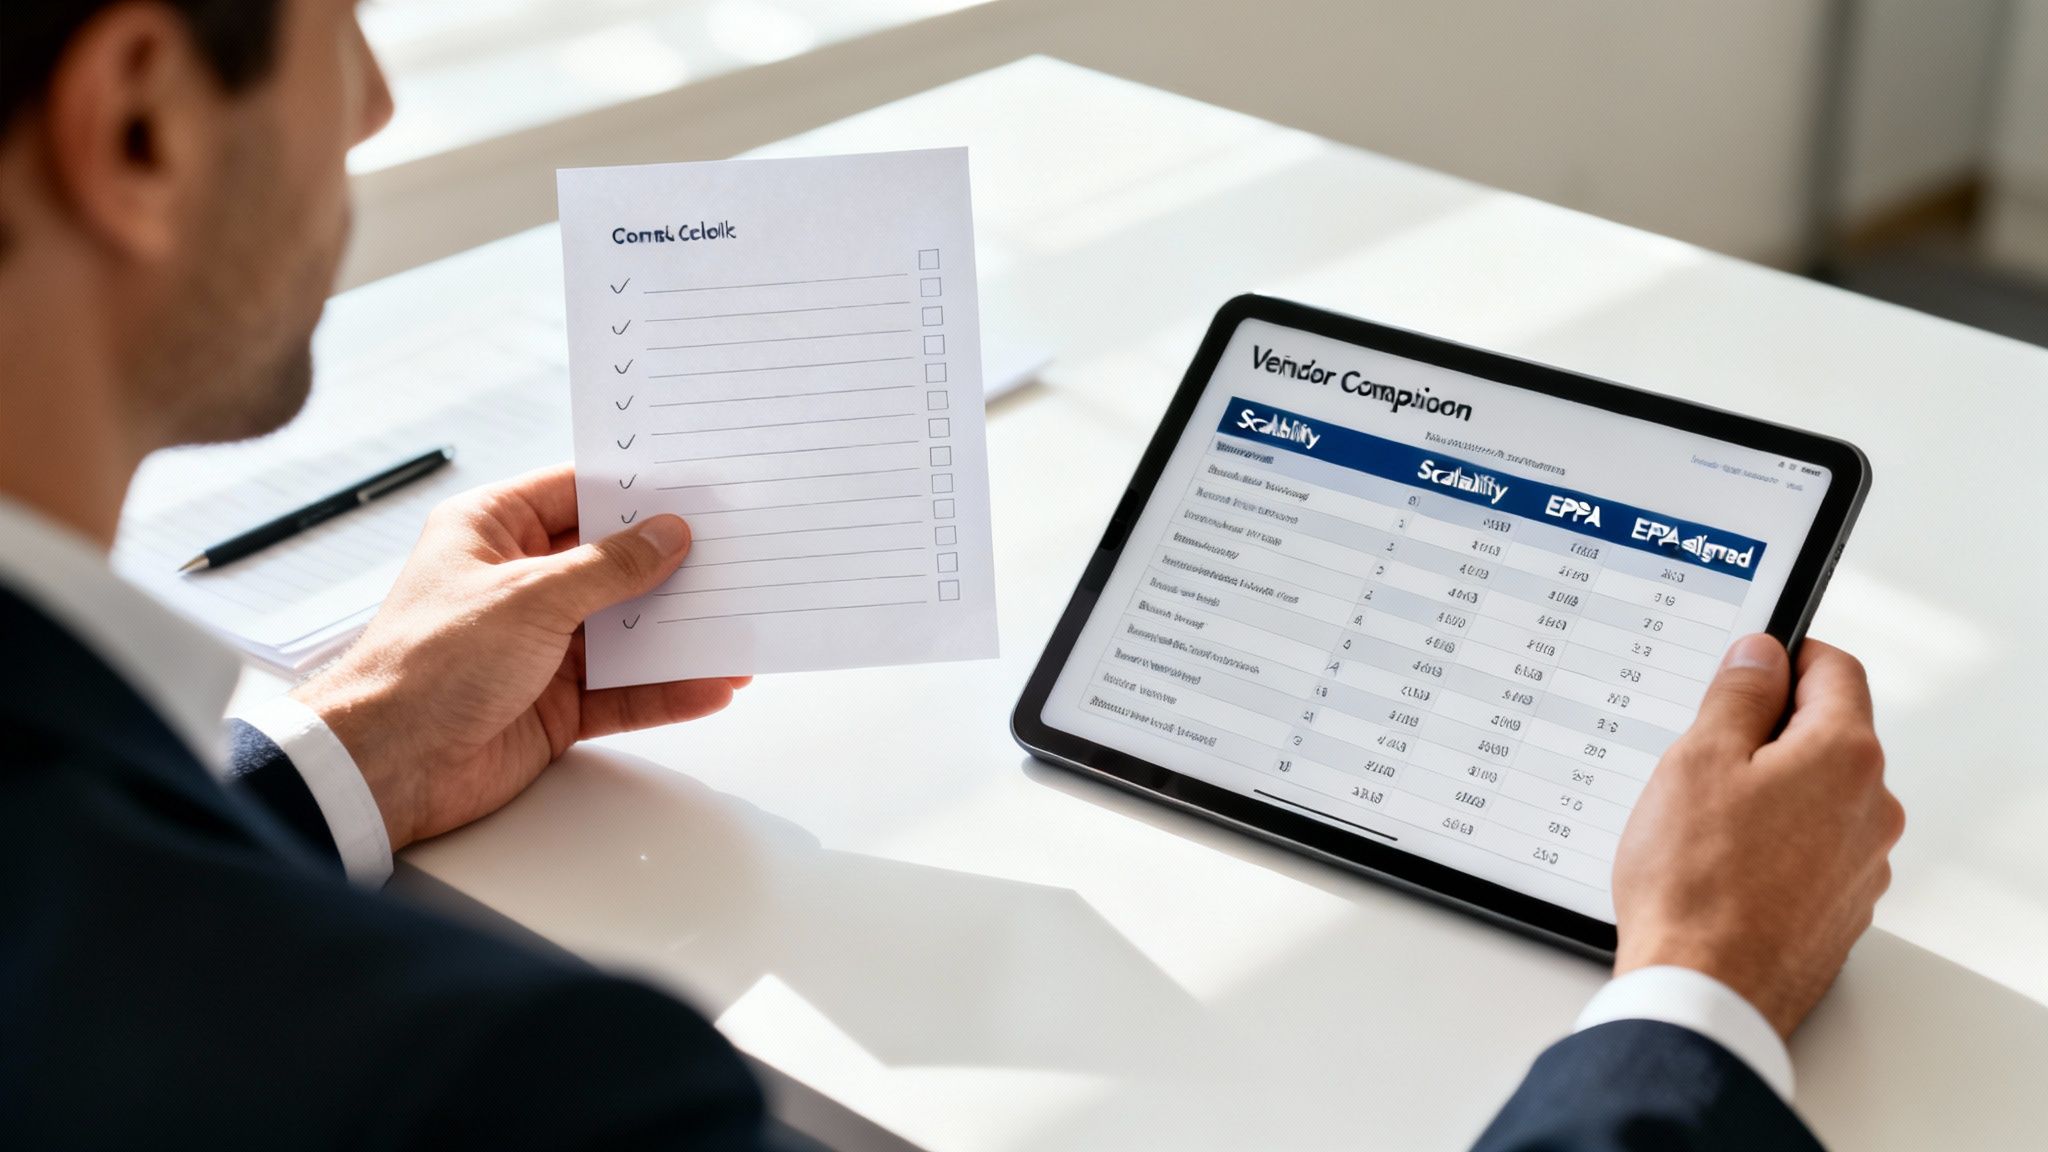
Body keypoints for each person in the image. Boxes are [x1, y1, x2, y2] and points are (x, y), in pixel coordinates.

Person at [0, 2, 1904, 1149]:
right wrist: (1701, 996)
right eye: (344, 19)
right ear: (144, 120)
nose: (376, 107)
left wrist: (331, 769)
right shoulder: (462, 1090)